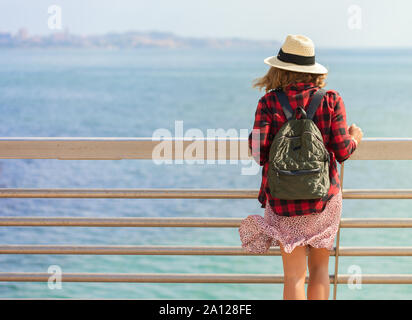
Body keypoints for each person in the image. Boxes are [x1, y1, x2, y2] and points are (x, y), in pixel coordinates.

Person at [238, 34, 363, 300]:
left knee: (294, 277)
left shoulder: (268, 103)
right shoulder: (330, 100)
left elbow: (259, 153)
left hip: (284, 201)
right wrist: (355, 138)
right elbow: (342, 151)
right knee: (319, 271)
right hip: (324, 199)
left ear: (279, 69)